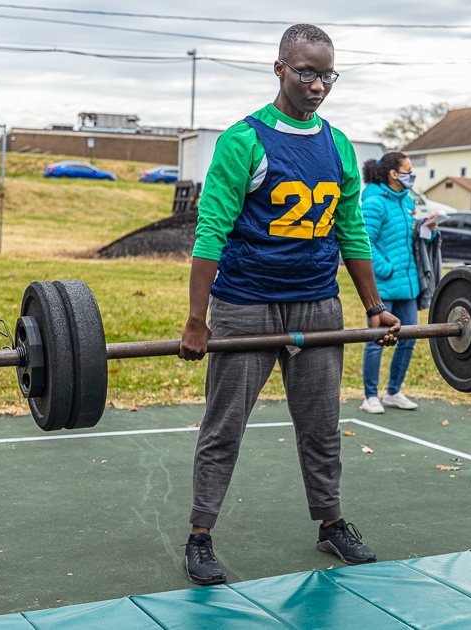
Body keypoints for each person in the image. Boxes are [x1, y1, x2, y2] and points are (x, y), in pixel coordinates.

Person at [177, 23, 401, 586]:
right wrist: (196, 319)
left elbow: (350, 231)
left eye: (328, 75)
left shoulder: (339, 145)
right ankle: (200, 536)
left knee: (322, 426)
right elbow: (211, 234)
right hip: (246, 303)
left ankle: (331, 524)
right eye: (307, 73)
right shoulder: (243, 140)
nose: (319, 85)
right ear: (279, 69)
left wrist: (374, 307)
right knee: (224, 426)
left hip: (317, 305)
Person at [358, 152, 421, 415]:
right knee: (378, 339)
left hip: (408, 285)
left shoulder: (406, 202)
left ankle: (394, 391)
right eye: (407, 170)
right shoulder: (374, 203)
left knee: (409, 338)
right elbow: (363, 242)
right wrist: (386, 268)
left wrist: (428, 232)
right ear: (394, 174)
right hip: (384, 284)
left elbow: (405, 239)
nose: (411, 175)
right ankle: (370, 396)